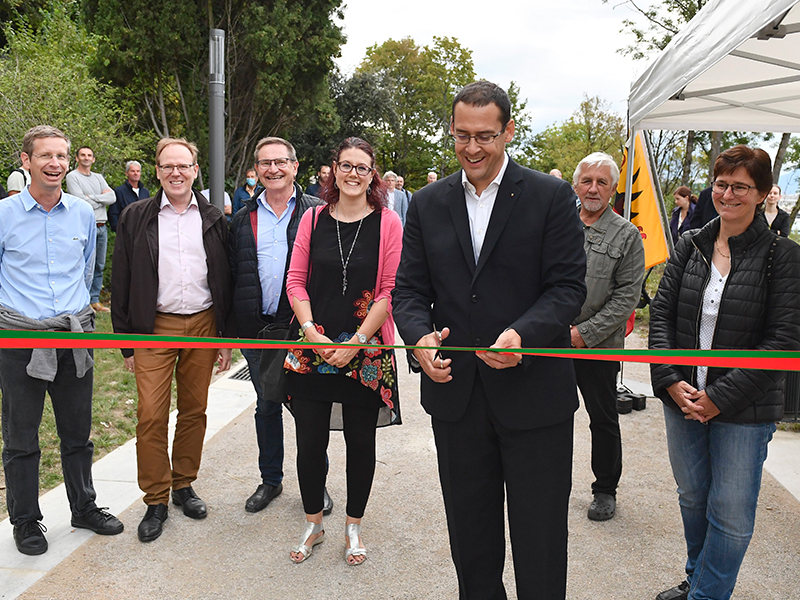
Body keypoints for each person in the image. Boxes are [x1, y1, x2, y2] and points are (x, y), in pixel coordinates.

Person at [393, 81, 587, 598]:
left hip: (534, 398)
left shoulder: (550, 196)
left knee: (540, 539)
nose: (472, 148)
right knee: (471, 541)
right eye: (461, 136)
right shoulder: (428, 202)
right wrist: (418, 340)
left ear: (508, 132)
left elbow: (568, 288)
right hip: (457, 399)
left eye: (485, 136)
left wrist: (521, 334)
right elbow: (408, 291)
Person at [649, 145, 800, 600]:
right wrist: (671, 380)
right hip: (683, 401)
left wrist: (721, 397)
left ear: (762, 194)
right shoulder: (689, 244)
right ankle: (699, 578)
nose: (728, 194)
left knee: (730, 513)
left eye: (740, 187)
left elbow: (784, 340)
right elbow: (661, 319)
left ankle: (705, 595)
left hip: (744, 410)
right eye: (721, 184)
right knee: (693, 499)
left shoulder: (783, 256)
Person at [0, 125, 124, 556]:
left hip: (74, 337)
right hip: (19, 340)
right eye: (45, 156)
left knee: (77, 433)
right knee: (21, 438)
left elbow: (88, 270)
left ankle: (83, 507)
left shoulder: (82, 214)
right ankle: (26, 520)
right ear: (26, 161)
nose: (55, 164)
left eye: (61, 156)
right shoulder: (4, 214)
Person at [284, 137, 403, 566]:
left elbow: (390, 289)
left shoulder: (388, 222)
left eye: (363, 167)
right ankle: (314, 522)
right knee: (309, 442)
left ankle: (353, 524)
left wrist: (356, 343)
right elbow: (295, 280)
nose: (354, 174)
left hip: (366, 353)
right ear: (333, 169)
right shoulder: (312, 218)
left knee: (360, 443)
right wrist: (312, 333)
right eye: (346, 165)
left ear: (373, 175)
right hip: (312, 346)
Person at [111, 137, 233, 543]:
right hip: (153, 326)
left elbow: (226, 279)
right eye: (167, 166)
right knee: (150, 415)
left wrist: (224, 337)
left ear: (196, 170)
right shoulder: (135, 216)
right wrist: (126, 343)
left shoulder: (214, 218)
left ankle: (183, 485)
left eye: (183, 166)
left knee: (195, 410)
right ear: (157, 171)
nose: (176, 173)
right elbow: (122, 279)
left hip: (203, 323)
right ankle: (155, 499)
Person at [228, 137, 329, 515]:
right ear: (256, 169)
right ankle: (271, 480)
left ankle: (315, 485)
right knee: (267, 406)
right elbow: (232, 276)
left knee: (308, 410)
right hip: (258, 330)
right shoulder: (240, 219)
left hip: (304, 329)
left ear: (295, 166)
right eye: (265, 163)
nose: (273, 169)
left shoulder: (318, 213)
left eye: (280, 162)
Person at [570, 152, 645, 522]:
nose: (593, 188)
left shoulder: (627, 235)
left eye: (602, 182)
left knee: (602, 418)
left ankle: (605, 489)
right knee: (549, 416)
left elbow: (627, 296)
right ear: (576, 185)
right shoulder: (557, 225)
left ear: (613, 189)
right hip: (549, 344)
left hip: (597, 347)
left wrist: (583, 334)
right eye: (587, 181)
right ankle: (547, 483)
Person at [65, 146, 116, 313]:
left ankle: (95, 300)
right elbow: (80, 201)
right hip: (85, 226)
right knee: (85, 265)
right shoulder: (72, 176)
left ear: (93, 159)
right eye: (83, 155)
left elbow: (112, 197)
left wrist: (91, 198)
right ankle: (82, 301)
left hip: (102, 227)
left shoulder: (99, 177)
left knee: (99, 265)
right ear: (77, 158)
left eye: (89, 155)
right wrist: (101, 199)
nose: (86, 158)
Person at [109, 160, 150, 232]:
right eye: (132, 171)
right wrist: (119, 231)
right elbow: (113, 214)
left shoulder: (145, 192)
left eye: (138, 171)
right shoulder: (119, 191)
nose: (135, 173)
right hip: (126, 233)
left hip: (142, 233)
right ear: (126, 173)